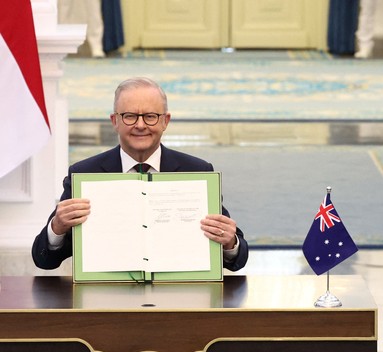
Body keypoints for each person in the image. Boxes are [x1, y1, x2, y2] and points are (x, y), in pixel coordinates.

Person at [32, 77, 249, 272]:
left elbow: (237, 259)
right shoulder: (84, 174)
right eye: (129, 116)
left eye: (151, 116)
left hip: (180, 294)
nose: (140, 125)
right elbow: (45, 260)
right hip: (108, 298)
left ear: (166, 121)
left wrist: (230, 243)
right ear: (114, 121)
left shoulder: (197, 171)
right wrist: (57, 228)